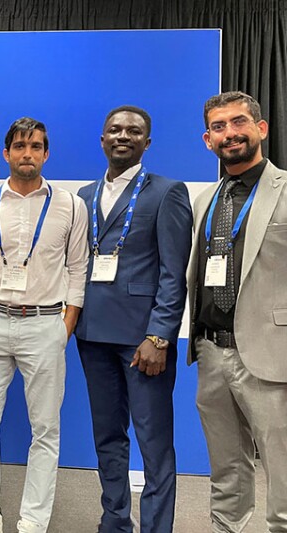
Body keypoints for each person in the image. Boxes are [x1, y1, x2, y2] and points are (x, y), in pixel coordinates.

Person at [0, 117, 88, 533]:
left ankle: (33, 519)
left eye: (35, 147)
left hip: (45, 323)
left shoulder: (70, 205)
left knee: (46, 428)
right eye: (19, 147)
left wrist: (63, 328)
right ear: (6, 153)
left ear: (46, 154)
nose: (26, 154)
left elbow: (78, 269)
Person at [75, 106, 192, 533]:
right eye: (114, 130)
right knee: (107, 439)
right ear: (102, 139)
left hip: (143, 342)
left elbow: (173, 272)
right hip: (92, 336)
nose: (122, 136)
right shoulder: (84, 197)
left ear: (147, 142)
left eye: (134, 131)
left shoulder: (167, 192)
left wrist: (160, 336)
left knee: (154, 445)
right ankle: (115, 523)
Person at [187, 91, 287, 532]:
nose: (230, 133)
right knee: (226, 467)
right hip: (212, 353)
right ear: (208, 140)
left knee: (283, 468)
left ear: (260, 129)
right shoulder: (204, 200)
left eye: (238, 122)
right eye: (219, 127)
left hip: (272, 354)